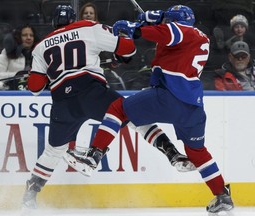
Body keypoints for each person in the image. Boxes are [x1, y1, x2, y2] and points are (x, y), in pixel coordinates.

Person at [22, 4, 195, 211]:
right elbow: (127, 49)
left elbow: (34, 88)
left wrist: (37, 73)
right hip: (91, 93)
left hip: (63, 103)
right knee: (133, 115)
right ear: (73, 19)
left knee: (53, 151)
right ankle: (172, 153)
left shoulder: (41, 46)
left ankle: (30, 195)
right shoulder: (87, 27)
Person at [66, 5, 234, 214]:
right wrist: (152, 17)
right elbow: (166, 32)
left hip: (169, 95)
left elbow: (165, 32)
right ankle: (221, 195)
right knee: (196, 151)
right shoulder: (198, 35)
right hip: (193, 106)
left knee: (118, 109)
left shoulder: (180, 30)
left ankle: (93, 156)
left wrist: (134, 28)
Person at [0, 24, 38, 90]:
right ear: (18, 37)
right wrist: (17, 76)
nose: (29, 38)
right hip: (11, 93)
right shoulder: (6, 54)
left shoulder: (39, 55)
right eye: (24, 35)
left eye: (31, 35)